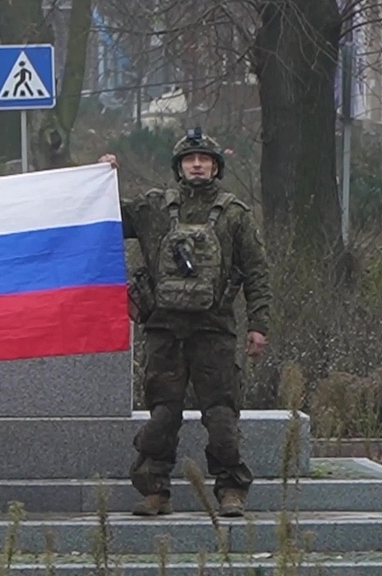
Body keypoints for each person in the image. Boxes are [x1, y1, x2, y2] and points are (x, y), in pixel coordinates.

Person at [99, 127, 272, 518]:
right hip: (164, 330)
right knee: (162, 414)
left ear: (216, 167)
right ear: (179, 166)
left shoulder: (235, 216)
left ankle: (231, 490)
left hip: (214, 330)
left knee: (222, 415)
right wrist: (103, 177)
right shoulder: (153, 207)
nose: (197, 165)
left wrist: (258, 325)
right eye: (190, 159)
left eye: (205, 160)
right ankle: (154, 491)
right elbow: (107, 219)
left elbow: (257, 273)